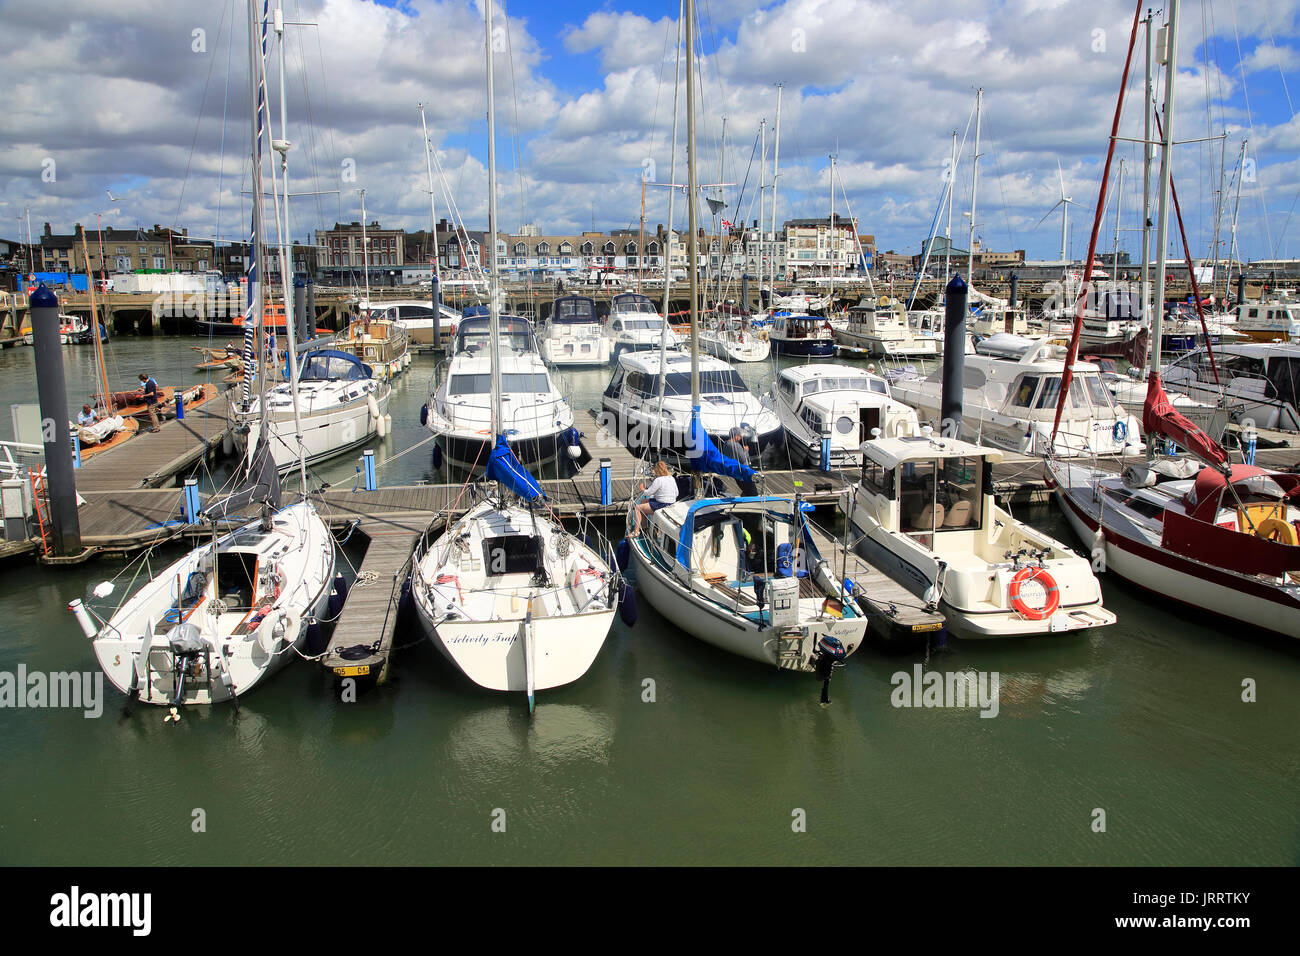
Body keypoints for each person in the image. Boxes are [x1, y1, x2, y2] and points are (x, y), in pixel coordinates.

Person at [631, 461, 677, 536]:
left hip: (661, 504)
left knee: (637, 508)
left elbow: (648, 493)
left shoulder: (658, 480)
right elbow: (677, 493)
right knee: (644, 501)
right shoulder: (671, 478)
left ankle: (636, 532)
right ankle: (644, 526)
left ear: (657, 470)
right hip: (671, 503)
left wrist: (643, 489)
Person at [723, 427, 759, 496]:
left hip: (736, 473)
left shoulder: (725, 444)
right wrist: (746, 450)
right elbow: (743, 459)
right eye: (740, 436)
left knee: (746, 490)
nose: (740, 437)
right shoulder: (736, 445)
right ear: (736, 436)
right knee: (753, 493)